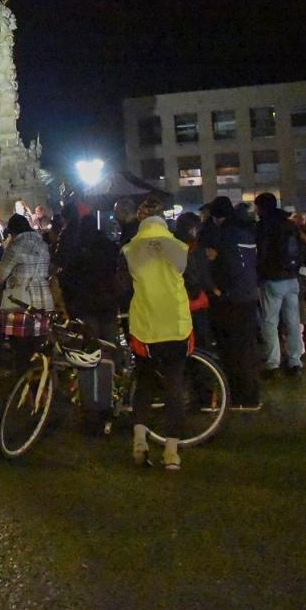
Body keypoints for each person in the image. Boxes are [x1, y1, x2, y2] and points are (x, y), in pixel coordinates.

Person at [122, 195, 193, 470]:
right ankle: (171, 453)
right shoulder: (179, 247)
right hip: (176, 323)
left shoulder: (131, 249)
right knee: (175, 387)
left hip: (145, 324)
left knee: (145, 381)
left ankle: (139, 438)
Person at [200, 196, 262, 411]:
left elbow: (220, 267)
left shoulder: (221, 236)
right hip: (250, 296)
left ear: (217, 217)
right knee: (247, 347)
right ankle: (252, 395)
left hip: (230, 300)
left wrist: (219, 290)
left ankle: (238, 397)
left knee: (231, 350)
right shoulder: (246, 232)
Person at [54, 196, 123, 343]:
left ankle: (95, 363)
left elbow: (65, 267)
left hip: (84, 298)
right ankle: (115, 363)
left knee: (90, 338)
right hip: (106, 297)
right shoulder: (107, 245)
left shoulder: (75, 248)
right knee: (110, 337)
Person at [0, 213, 52, 370]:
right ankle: (40, 387)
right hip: (43, 302)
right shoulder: (43, 244)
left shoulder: (15, 247)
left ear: (13, 232)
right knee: (38, 350)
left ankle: (23, 387)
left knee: (20, 351)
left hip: (20, 304)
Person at [255, 193, 304, 377]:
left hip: (272, 279)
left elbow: (261, 254)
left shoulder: (263, 226)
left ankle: (273, 363)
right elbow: (301, 248)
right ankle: (294, 361)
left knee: (269, 322)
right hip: (292, 278)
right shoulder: (289, 224)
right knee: (293, 321)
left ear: (262, 207)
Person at [173, 212, 214, 348]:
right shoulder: (192, 247)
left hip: (177, 302)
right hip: (194, 302)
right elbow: (196, 275)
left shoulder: (172, 246)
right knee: (200, 339)